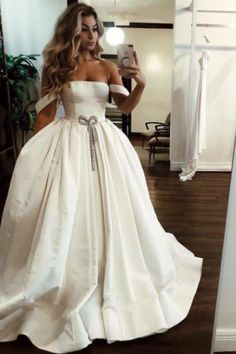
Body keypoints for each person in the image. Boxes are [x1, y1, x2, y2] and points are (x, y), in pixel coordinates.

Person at [0, 3, 203, 354]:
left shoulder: (109, 67)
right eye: (85, 28)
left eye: (95, 28)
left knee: (119, 209)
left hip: (108, 146)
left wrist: (140, 83)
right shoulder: (56, 67)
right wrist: (32, 157)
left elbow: (125, 109)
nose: (92, 34)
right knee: (67, 211)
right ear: (71, 30)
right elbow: (46, 116)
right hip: (67, 144)